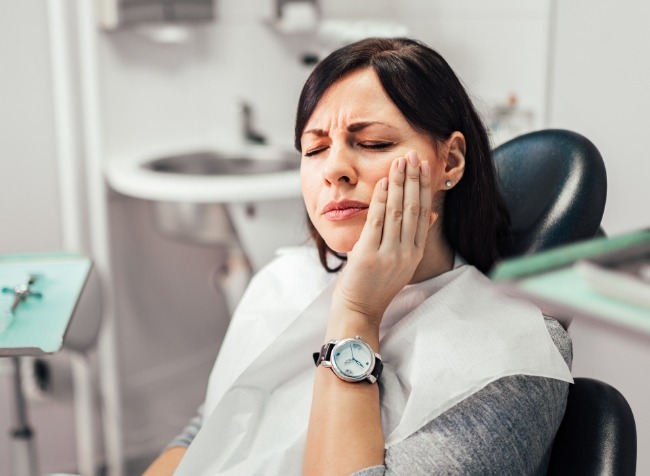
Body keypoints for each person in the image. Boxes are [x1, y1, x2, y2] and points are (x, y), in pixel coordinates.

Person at [144, 37, 572, 476]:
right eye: (314, 149)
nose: (333, 169)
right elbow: (205, 434)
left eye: (372, 143)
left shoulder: (511, 356)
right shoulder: (284, 280)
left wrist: (357, 314)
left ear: (450, 161)